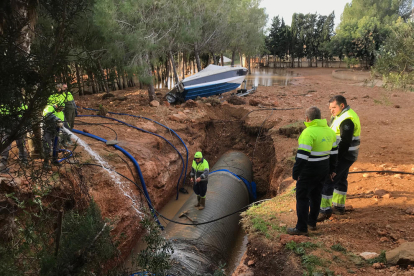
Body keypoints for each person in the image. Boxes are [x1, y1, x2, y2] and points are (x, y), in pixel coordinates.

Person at [287, 107, 337, 236]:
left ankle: (301, 228)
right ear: (320, 117)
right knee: (316, 195)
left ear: (307, 119)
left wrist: (296, 173)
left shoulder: (308, 132)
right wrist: (332, 170)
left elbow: (302, 156)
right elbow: (334, 153)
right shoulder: (330, 132)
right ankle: (312, 223)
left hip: (309, 170)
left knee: (302, 198)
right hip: (323, 169)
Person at [318, 95, 361, 221]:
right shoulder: (339, 115)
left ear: (342, 106)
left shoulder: (347, 119)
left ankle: (324, 210)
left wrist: (335, 163)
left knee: (329, 179)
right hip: (345, 155)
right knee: (341, 179)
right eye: (330, 108)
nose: (331, 110)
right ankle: (339, 206)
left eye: (333, 107)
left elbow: (345, 143)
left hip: (344, 155)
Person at [0, 104, 29, 172]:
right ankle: (3, 160)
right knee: (6, 144)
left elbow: (27, 116)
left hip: (19, 127)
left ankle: (23, 159)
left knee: (21, 143)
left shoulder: (23, 105)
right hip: (8, 127)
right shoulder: (6, 103)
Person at [42, 103, 67, 168]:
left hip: (56, 131)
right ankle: (46, 162)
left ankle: (55, 160)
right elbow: (48, 114)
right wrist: (57, 119)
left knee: (56, 146)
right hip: (47, 130)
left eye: (62, 109)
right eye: (60, 108)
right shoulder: (49, 107)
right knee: (47, 145)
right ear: (56, 106)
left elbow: (64, 122)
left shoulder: (61, 113)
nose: (60, 110)